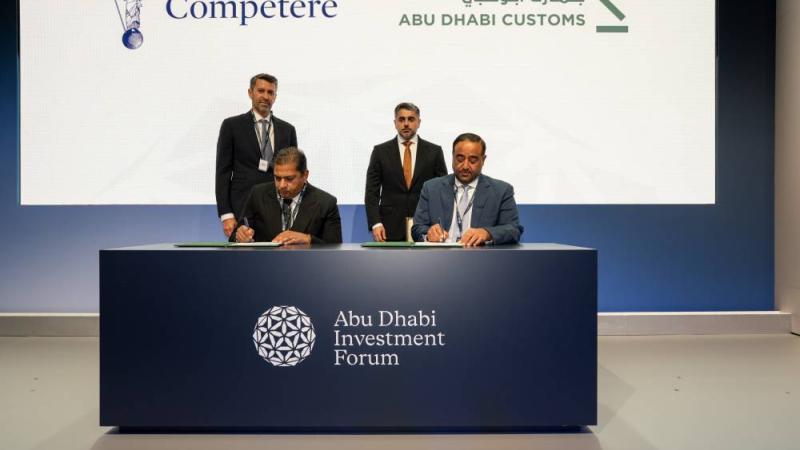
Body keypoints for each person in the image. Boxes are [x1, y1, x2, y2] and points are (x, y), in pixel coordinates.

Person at [216, 73, 298, 238]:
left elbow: (295, 172)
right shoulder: (232, 126)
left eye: (270, 92)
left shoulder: (288, 130)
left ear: (275, 97)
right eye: (261, 91)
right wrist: (226, 214)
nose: (265, 96)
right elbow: (223, 173)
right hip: (242, 211)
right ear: (250, 93)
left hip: (279, 211)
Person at [412, 133, 523, 246]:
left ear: (483, 160)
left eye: (473, 160)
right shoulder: (431, 188)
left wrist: (487, 233)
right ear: (452, 157)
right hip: (441, 254)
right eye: (460, 159)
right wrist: (429, 234)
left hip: (480, 255)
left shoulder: (502, 191)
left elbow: (514, 229)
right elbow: (417, 228)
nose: (465, 166)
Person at [365, 103, 447, 242]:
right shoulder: (380, 152)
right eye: (401, 119)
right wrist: (376, 223)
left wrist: (439, 223)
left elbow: (442, 192)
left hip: (426, 226)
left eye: (411, 119)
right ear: (395, 123)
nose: (406, 124)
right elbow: (372, 192)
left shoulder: (434, 152)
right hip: (388, 227)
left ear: (419, 122)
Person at [233, 147, 342, 245]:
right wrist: (240, 236)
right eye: (277, 178)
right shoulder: (258, 194)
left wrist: (308, 239)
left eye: (289, 179)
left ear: (305, 175)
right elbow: (235, 236)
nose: (282, 185)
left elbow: (335, 248)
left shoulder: (326, 203)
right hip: (265, 260)